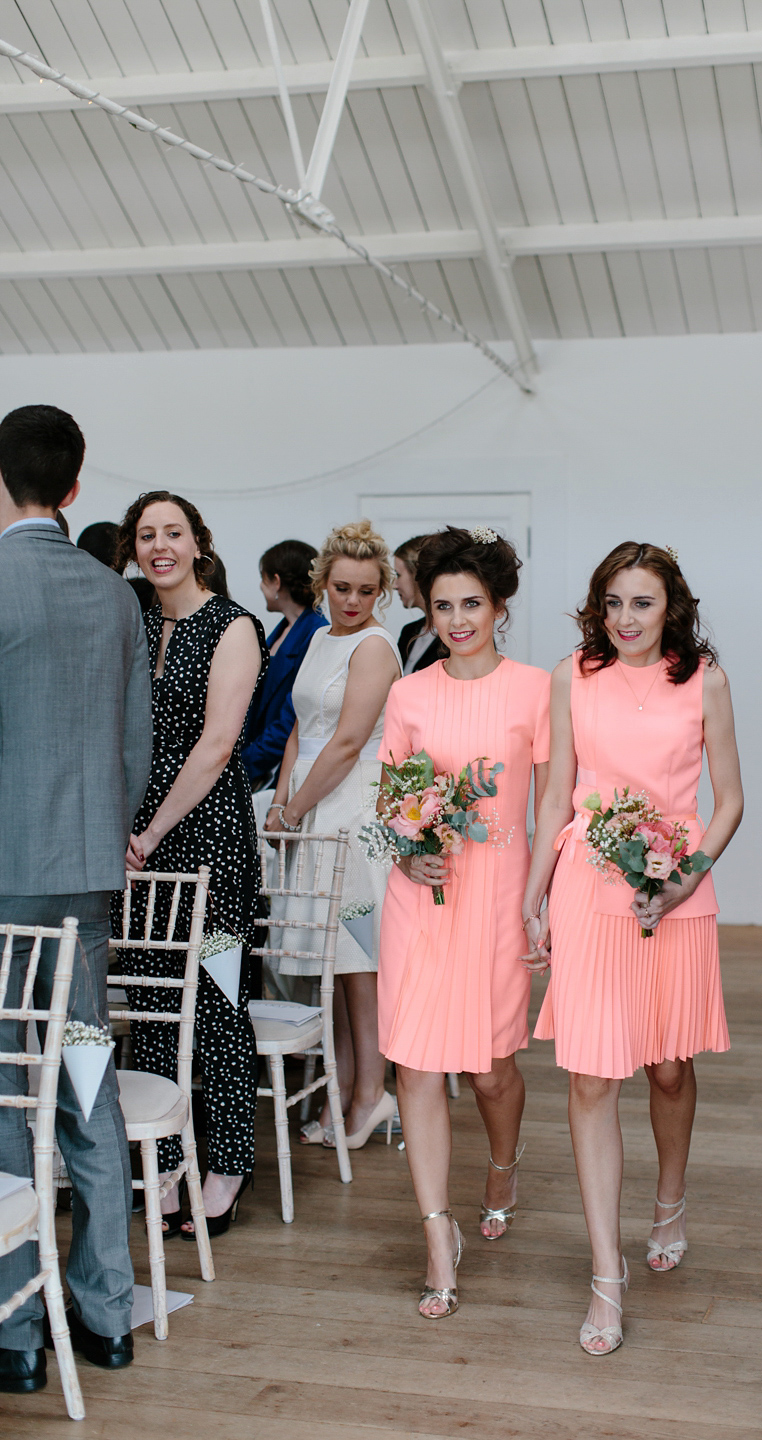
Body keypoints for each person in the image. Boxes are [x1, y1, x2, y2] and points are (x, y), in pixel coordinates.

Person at [524, 541, 742, 1356]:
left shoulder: (705, 681)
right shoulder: (570, 675)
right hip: (588, 884)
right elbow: (556, 794)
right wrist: (533, 894)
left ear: (671, 606)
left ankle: (671, 1197)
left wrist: (686, 876)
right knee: (591, 1076)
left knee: (669, 1066)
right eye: (612, 603)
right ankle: (605, 1277)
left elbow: (730, 800)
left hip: (674, 887)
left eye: (641, 603)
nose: (624, 620)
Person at [0, 405, 152, 1390]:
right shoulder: (115, 597)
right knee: (87, 1084)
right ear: (77, 486)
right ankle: (106, 1317)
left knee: (4, 1095)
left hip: (2, 884)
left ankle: (15, 1332)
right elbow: (134, 753)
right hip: (87, 888)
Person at [377, 526, 550, 1319]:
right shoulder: (409, 694)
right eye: (442, 605)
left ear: (499, 606)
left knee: (488, 1070)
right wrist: (409, 852)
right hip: (424, 898)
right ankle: (436, 1233)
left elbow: (555, 806)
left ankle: (505, 1163)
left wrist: (543, 899)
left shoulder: (537, 691)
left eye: (471, 605)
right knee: (417, 1066)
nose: (456, 620)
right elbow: (390, 799)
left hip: (498, 900)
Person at [112, 490, 268, 1240]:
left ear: (198, 543)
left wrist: (151, 830)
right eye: (147, 534)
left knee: (217, 1000)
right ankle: (165, 1163)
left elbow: (215, 746)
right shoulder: (135, 623)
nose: (159, 545)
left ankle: (230, 1161)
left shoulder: (233, 624)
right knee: (148, 1007)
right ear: (133, 549)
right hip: (137, 843)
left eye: (172, 532)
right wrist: (125, 830)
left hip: (208, 839)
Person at [266, 521, 401, 1148]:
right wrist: (283, 795)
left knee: (359, 960)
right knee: (332, 965)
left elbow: (348, 742)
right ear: (323, 584)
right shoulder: (321, 637)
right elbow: (302, 727)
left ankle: (373, 1094)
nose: (352, 601)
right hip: (316, 802)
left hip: (356, 810)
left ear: (382, 593)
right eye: (342, 588)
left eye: (367, 591)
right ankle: (340, 1090)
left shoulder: (374, 647)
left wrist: (295, 812)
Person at [242, 540, 326, 794]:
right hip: (260, 761)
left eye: (263, 578)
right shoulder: (282, 631)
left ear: (276, 582)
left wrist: (242, 763)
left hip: (277, 771)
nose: (260, 585)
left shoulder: (316, 633)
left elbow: (292, 719)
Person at [393, 534, 447, 675]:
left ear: (417, 575)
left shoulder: (457, 635)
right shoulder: (409, 631)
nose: (394, 585)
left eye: (398, 575)